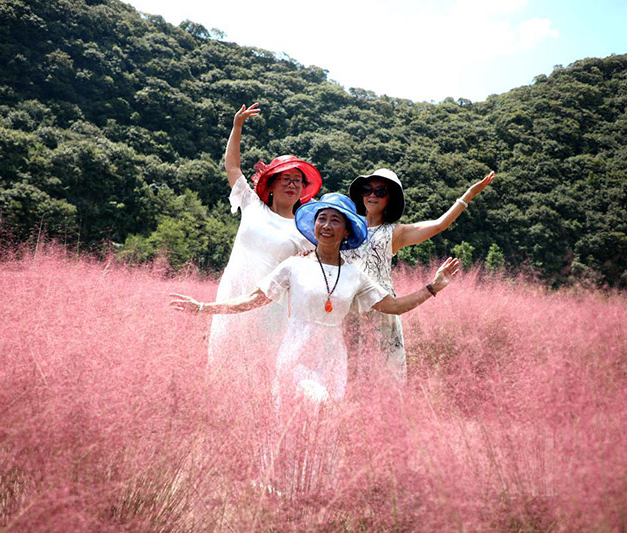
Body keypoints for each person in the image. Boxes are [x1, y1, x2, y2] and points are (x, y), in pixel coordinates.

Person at [170, 193, 461, 402]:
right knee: (303, 409)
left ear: (347, 230)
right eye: (322, 218)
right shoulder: (294, 266)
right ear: (314, 226)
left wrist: (433, 287)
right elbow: (252, 299)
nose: (327, 225)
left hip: (332, 356)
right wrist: (203, 308)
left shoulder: (355, 276)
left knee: (326, 425)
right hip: (295, 351)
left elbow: (394, 306)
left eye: (336, 220)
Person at [341, 168, 495, 381]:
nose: (372, 195)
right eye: (367, 189)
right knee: (347, 371)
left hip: (382, 307)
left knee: (381, 375)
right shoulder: (347, 226)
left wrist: (468, 194)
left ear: (390, 198)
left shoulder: (396, 232)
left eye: (380, 191)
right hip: (347, 306)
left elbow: (440, 225)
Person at [207, 103, 322, 385]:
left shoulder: (306, 230)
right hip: (234, 293)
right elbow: (232, 166)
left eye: (298, 180)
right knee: (223, 362)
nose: (292, 184)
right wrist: (237, 127)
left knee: (262, 371)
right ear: (270, 184)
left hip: (272, 309)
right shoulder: (252, 205)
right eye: (286, 178)